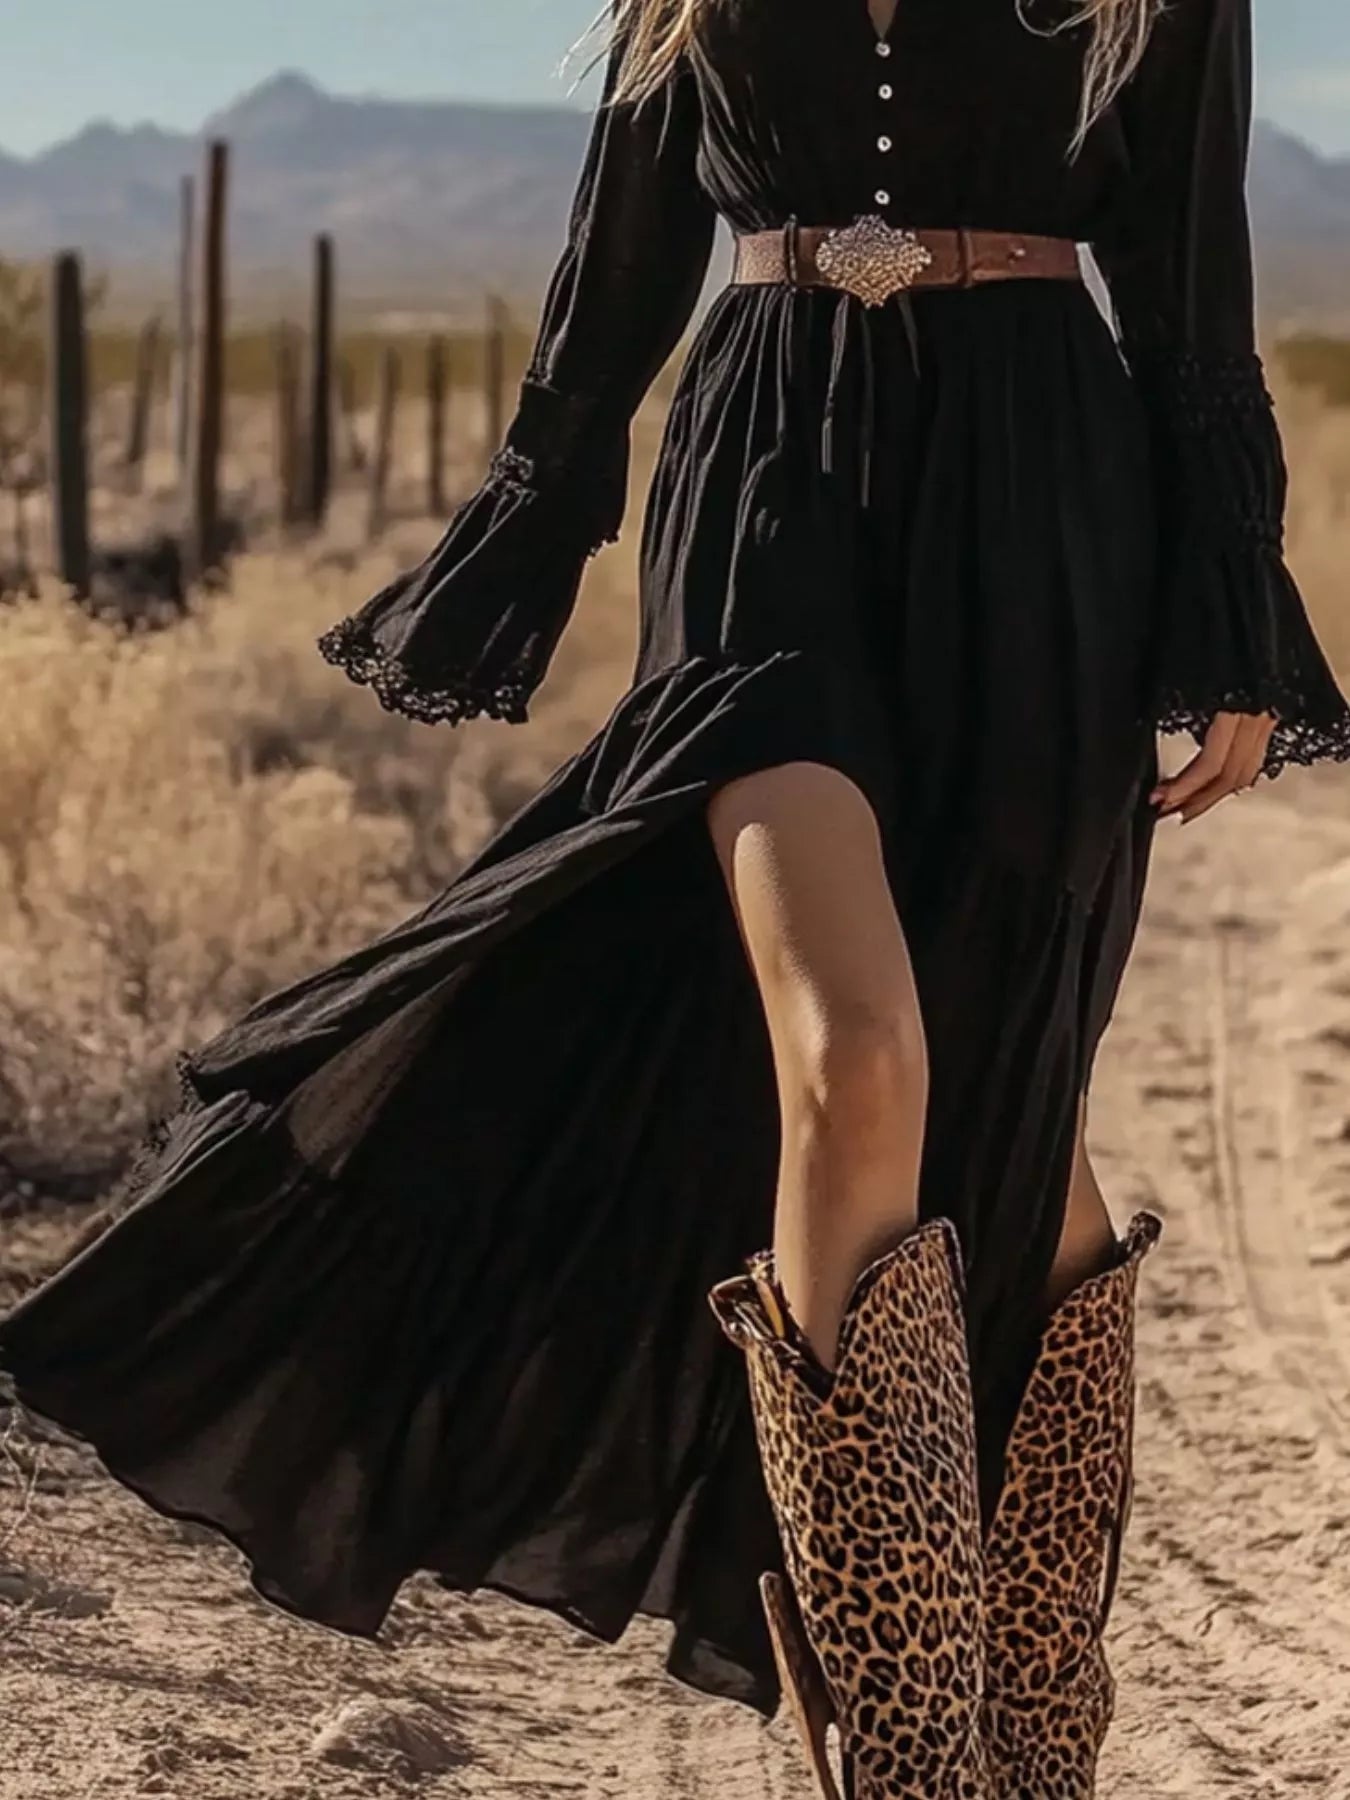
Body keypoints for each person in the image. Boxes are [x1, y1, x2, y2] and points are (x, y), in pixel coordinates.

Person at [4, 0, 1349, 1793]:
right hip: (765, 501)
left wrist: (1228, 604)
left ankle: (1029, 1725)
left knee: (1010, 1110)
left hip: (1040, 527)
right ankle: (897, 1743)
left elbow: (1188, 283)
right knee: (854, 1055)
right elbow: (617, 262)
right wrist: (520, 539)